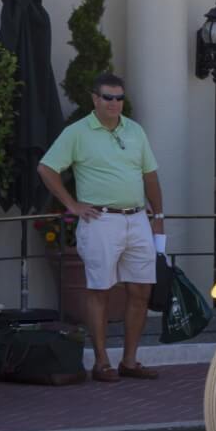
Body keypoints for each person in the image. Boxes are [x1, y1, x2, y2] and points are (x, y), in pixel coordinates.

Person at [37, 73, 165, 382]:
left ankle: (130, 361)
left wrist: (159, 216)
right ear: (95, 99)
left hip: (137, 218)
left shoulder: (134, 130)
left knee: (141, 290)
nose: (114, 103)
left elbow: (150, 175)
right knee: (99, 290)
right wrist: (72, 204)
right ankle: (101, 362)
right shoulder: (77, 132)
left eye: (119, 98)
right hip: (100, 220)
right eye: (108, 97)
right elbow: (46, 168)